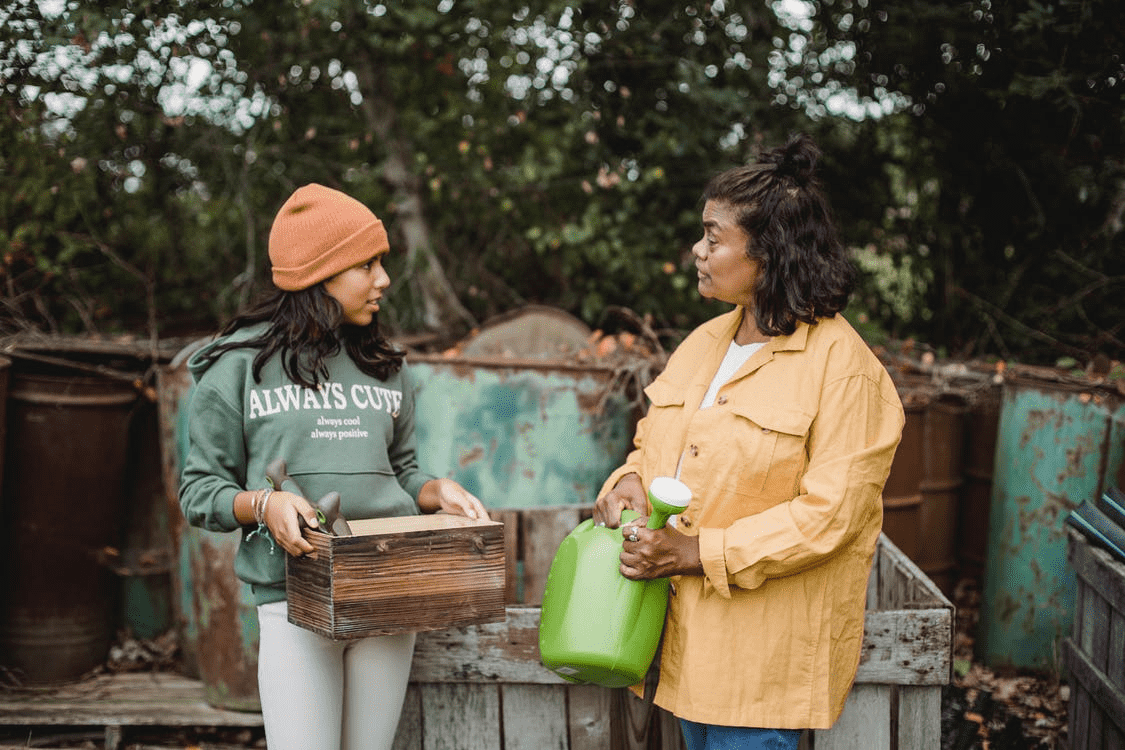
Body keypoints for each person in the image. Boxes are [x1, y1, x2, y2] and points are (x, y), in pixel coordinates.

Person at [593, 134, 905, 750]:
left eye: (713, 237)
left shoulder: (845, 370)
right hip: (679, 653)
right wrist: (624, 482)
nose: (697, 250)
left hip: (761, 673)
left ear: (771, 252)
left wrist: (694, 553)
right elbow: (651, 448)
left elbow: (829, 519)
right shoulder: (704, 344)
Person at [179, 183, 489, 750]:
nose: (384, 280)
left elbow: (401, 473)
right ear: (319, 273)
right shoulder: (238, 368)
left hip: (388, 589)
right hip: (292, 596)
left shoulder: (383, 365)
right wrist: (264, 504)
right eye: (367, 264)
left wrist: (436, 490)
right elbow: (200, 492)